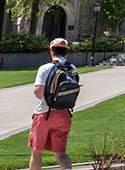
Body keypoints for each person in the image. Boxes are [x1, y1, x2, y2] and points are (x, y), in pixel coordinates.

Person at [30, 38, 77, 170]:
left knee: (37, 152)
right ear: (65, 52)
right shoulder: (72, 68)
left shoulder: (45, 68)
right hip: (64, 113)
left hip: (45, 113)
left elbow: (39, 93)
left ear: (51, 50)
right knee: (60, 153)